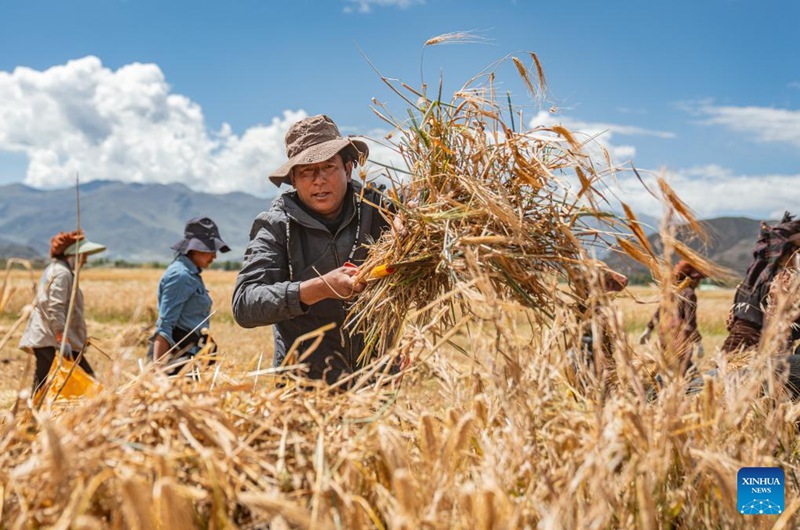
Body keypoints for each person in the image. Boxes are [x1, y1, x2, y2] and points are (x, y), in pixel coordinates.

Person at [232, 114, 392, 384]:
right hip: (305, 388)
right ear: (293, 179)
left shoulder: (378, 209)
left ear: (348, 169)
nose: (318, 180)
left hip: (375, 382)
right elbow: (245, 304)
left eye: (328, 167)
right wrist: (318, 288)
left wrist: (410, 225)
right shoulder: (276, 226)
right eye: (307, 171)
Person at [19, 230, 106, 393]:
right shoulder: (61, 273)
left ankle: (36, 412)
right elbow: (55, 306)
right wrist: (61, 337)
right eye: (83, 255)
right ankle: (34, 413)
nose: (85, 260)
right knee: (81, 379)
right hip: (53, 339)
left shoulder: (57, 270)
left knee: (45, 381)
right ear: (72, 255)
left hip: (55, 338)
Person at [149, 217, 230, 373]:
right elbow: (165, 326)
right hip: (177, 361)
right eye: (210, 250)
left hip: (190, 359)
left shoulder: (191, 275)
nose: (214, 256)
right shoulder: (180, 276)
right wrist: (159, 373)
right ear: (194, 249)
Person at [639, 260, 707, 373]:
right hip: (680, 337)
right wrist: (698, 343)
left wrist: (648, 329)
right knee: (685, 371)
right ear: (692, 278)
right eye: (698, 279)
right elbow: (690, 322)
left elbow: (659, 311)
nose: (698, 282)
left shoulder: (672, 291)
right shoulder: (689, 294)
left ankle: (660, 386)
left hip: (664, 335)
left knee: (668, 367)